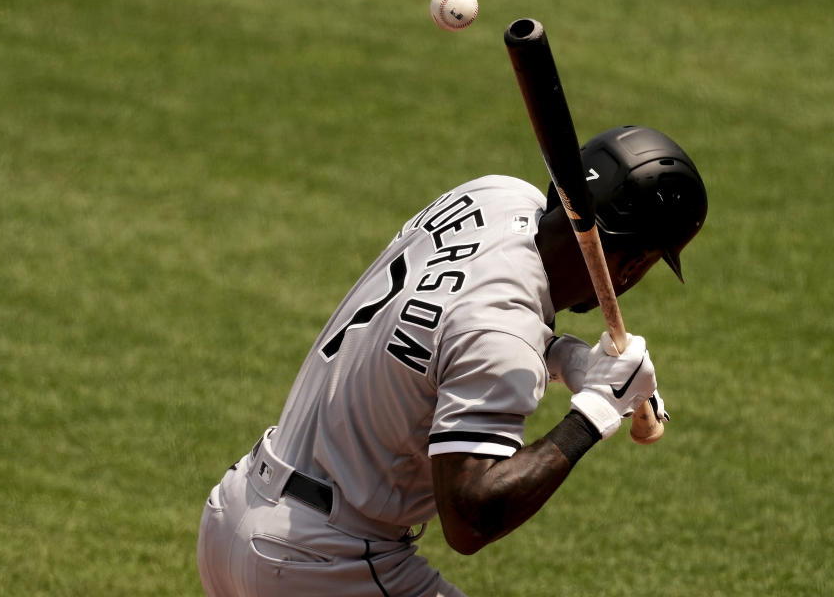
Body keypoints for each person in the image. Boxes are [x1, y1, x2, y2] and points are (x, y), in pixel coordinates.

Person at [196, 125, 708, 597]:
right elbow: (471, 517)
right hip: (320, 562)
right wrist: (596, 410)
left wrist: (570, 359)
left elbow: (454, 325)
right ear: (634, 262)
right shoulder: (502, 334)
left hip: (237, 512)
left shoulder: (492, 194)